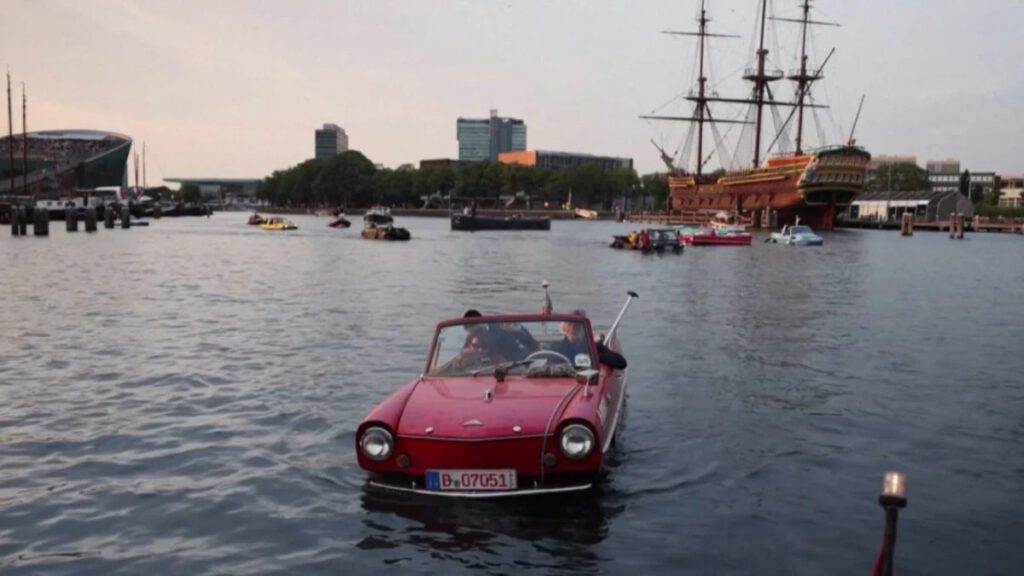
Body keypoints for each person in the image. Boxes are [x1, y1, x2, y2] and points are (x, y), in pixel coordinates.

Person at [550, 310, 627, 370]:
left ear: (584, 329)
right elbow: (547, 365)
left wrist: (592, 356)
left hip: (585, 382)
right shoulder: (556, 347)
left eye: (577, 325)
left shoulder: (593, 347)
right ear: (564, 328)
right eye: (569, 325)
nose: (573, 329)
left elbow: (621, 362)